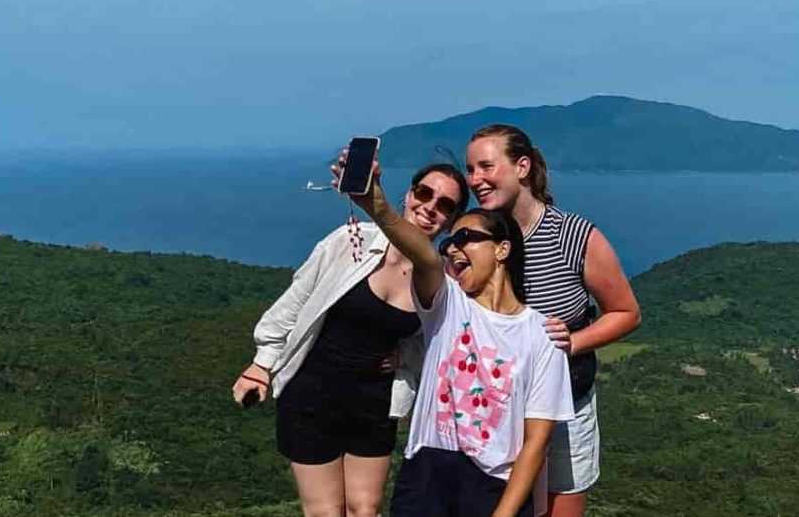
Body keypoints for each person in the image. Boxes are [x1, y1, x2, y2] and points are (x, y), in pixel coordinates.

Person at [335, 151, 575, 517]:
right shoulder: (448, 304)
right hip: (429, 472)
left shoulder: (543, 336)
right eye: (449, 243)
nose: (452, 247)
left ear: (502, 250)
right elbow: (426, 258)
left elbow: (536, 443)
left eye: (466, 237)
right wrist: (376, 205)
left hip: (496, 484)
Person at [231, 163, 470, 517]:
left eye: (446, 205)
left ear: (450, 220)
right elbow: (297, 300)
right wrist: (261, 364)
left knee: (365, 509)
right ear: (408, 194)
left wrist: (404, 358)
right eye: (424, 193)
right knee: (326, 512)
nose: (430, 207)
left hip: (373, 402)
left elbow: (437, 342)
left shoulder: (437, 279)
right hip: (312, 393)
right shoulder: (350, 242)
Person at [465, 124, 642, 517]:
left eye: (486, 167)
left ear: (522, 167)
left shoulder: (573, 235)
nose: (475, 180)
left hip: (565, 405)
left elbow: (627, 312)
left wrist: (571, 343)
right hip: (495, 409)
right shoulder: (473, 236)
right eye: (470, 169)